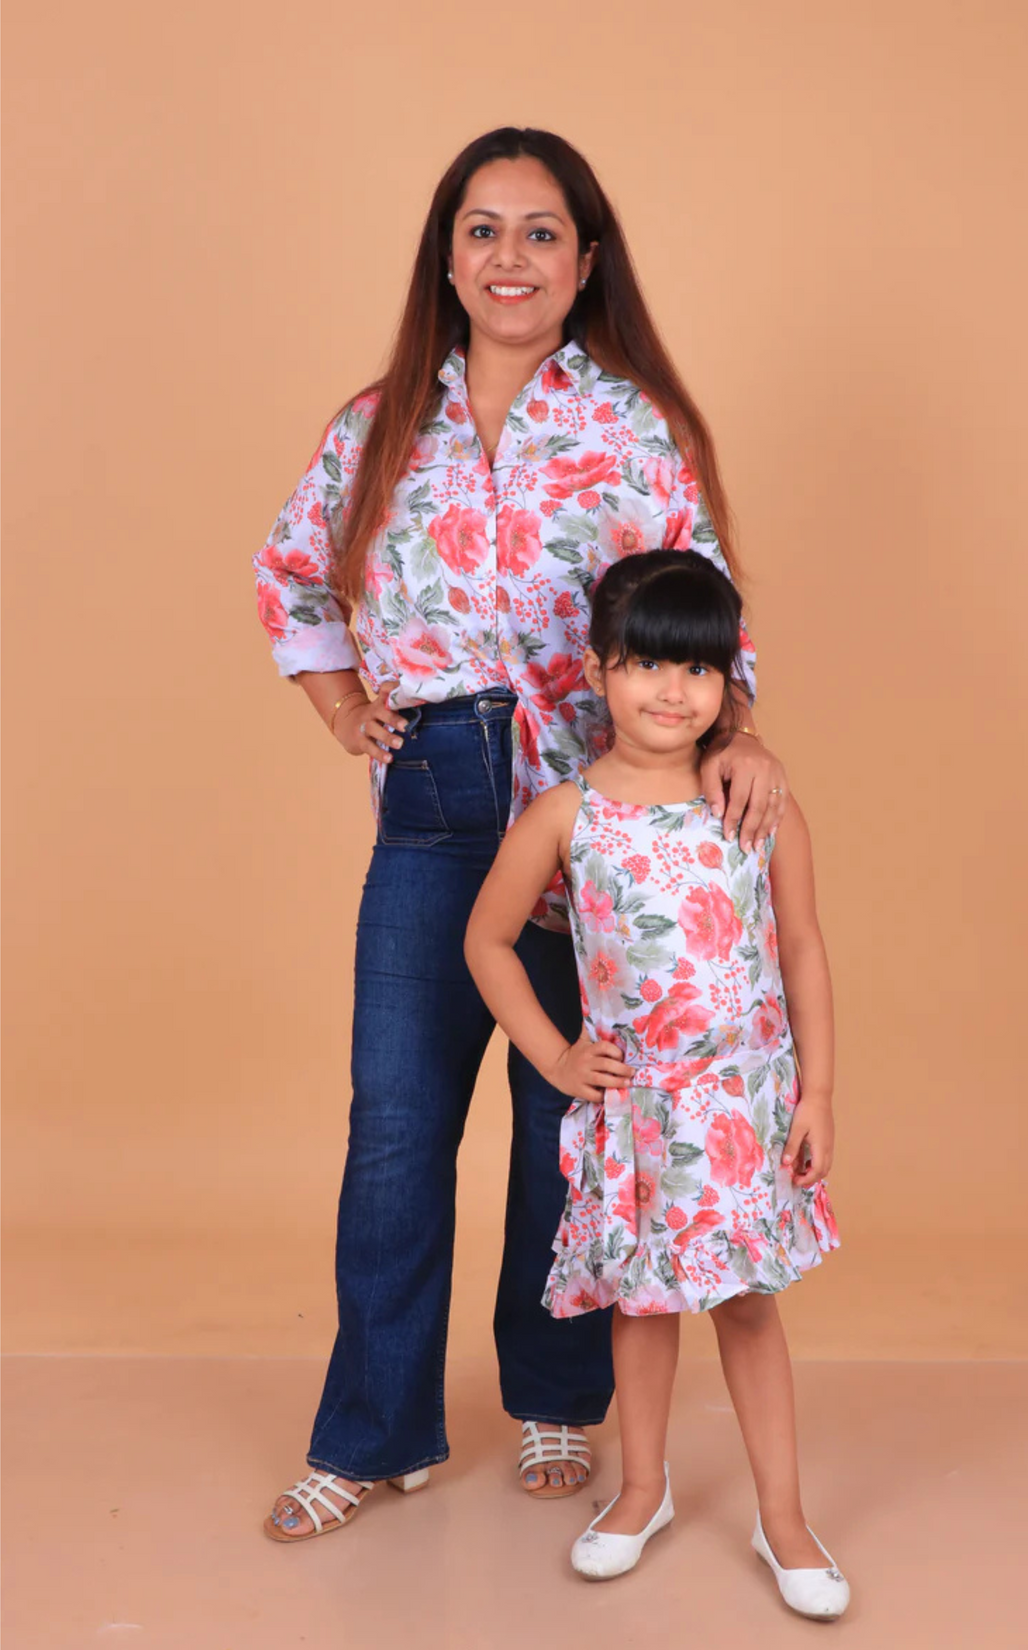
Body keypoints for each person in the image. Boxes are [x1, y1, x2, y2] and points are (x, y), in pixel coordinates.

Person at [254, 126, 789, 1543]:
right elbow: (293, 575)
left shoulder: (631, 426)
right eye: (484, 229)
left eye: (541, 232)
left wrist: (738, 731)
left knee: (573, 1115)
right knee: (399, 1127)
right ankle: (375, 1433)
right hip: (435, 799)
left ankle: (559, 1397)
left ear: (586, 260)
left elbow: (705, 608)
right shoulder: (375, 426)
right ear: (448, 256)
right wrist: (343, 709)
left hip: (592, 807)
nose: (511, 256)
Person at [464, 549, 847, 1619]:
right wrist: (550, 1055)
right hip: (635, 1111)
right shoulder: (563, 815)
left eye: (697, 670)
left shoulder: (753, 806)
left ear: (727, 684)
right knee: (638, 1307)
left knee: (743, 1305)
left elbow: (804, 950)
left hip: (739, 1109)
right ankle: (641, 1492)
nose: (669, 691)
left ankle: (783, 1518)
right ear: (595, 672)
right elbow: (488, 940)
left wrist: (816, 1094)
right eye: (642, 664)